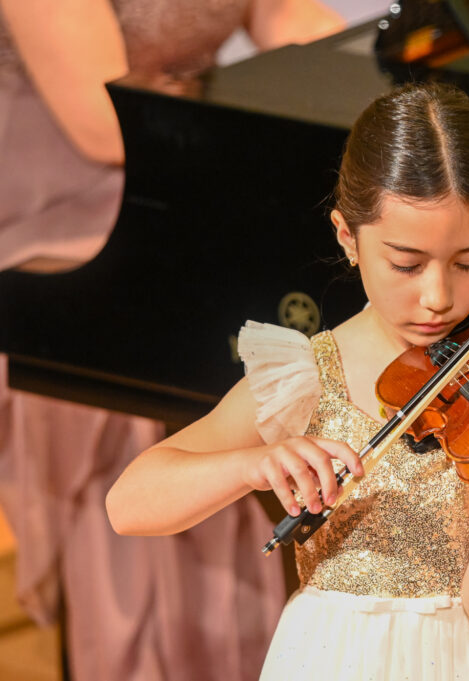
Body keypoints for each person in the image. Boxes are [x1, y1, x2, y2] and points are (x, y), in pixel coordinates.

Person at [106, 81, 469, 679]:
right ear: (347, 236)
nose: (438, 297)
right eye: (406, 264)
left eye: (468, 262)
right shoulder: (305, 377)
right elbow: (128, 504)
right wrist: (252, 465)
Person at [0, 2, 346, 679]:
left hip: (187, 164)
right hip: (62, 195)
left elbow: (282, 15)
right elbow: (105, 124)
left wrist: (357, 71)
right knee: (153, 342)